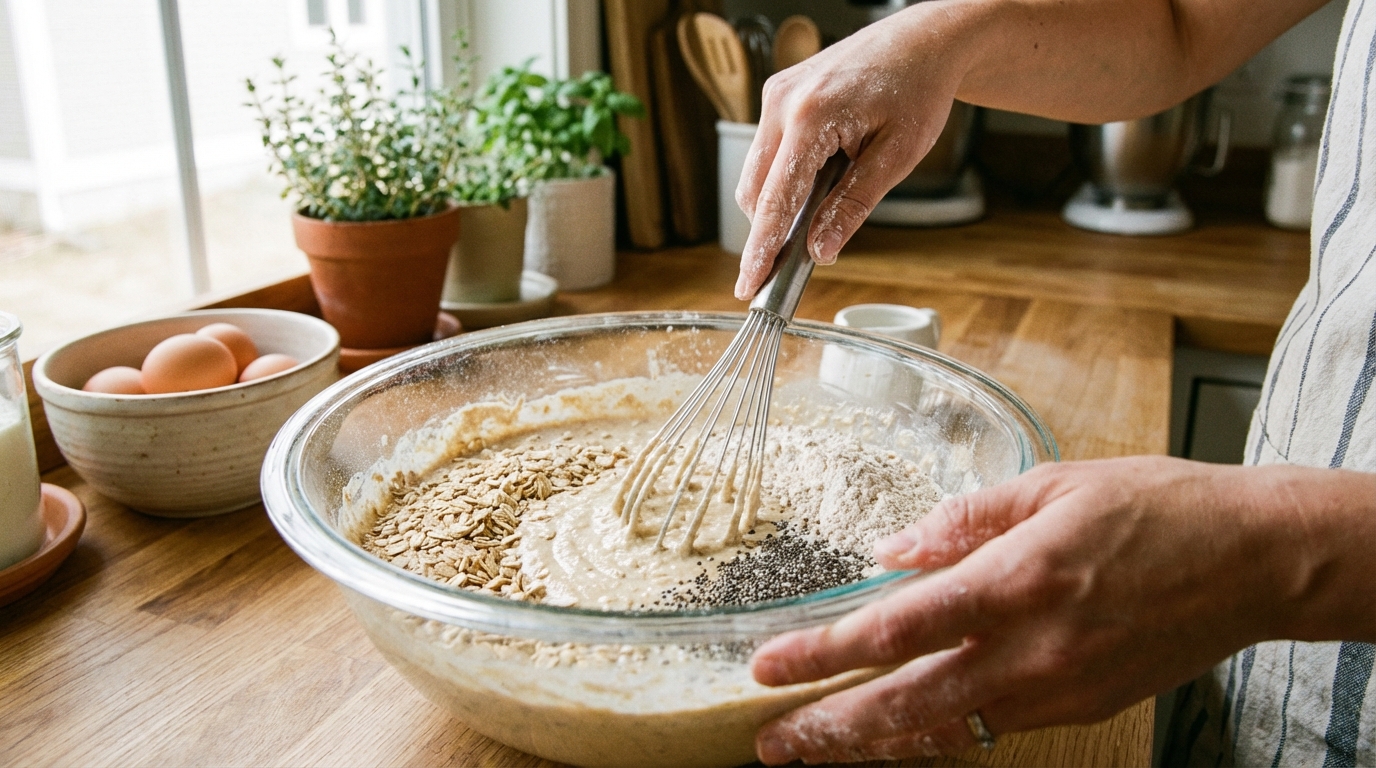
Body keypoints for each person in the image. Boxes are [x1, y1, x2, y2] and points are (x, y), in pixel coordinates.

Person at [732, 0, 1376, 764]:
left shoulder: (1257, 557)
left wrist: (1272, 552)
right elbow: (1181, 24)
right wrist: (945, 36)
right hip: (1273, 639)